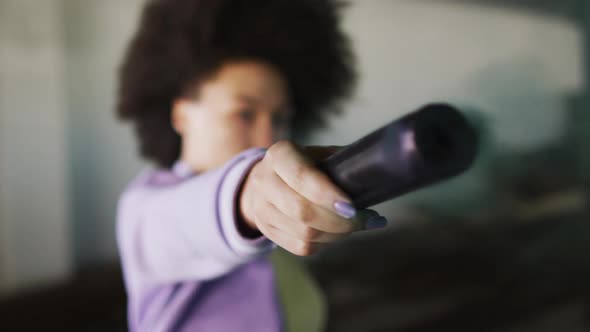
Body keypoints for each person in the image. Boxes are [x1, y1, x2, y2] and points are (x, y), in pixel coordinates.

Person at [115, 0, 387, 330]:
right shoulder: (145, 212)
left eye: (279, 118)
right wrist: (250, 195)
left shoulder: (282, 237)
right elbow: (190, 220)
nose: (267, 138)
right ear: (180, 113)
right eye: (244, 114)